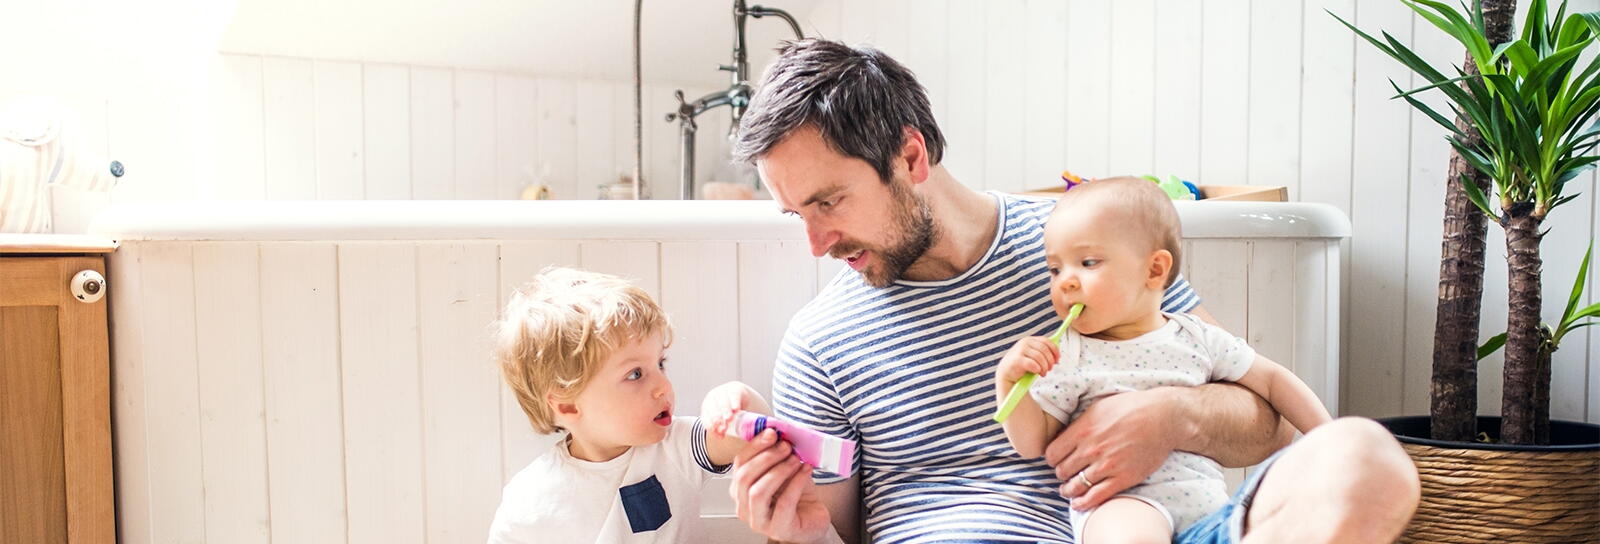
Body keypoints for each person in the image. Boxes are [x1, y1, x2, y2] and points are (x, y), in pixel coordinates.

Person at [724, 39, 1419, 544]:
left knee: (1365, 458)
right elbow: (832, 532)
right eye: (797, 214)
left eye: (829, 202)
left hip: (1166, 526)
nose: (816, 244)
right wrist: (794, 530)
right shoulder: (819, 343)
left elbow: (1267, 421)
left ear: (911, 156)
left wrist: (1173, 416)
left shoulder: (1085, 251)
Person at [996, 177, 1334, 542]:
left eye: (1088, 262)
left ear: (1155, 270)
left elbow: (1273, 381)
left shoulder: (1197, 336)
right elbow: (1032, 443)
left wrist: (1329, 441)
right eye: (1055, 269)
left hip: (1209, 510)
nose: (1065, 282)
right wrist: (1010, 384)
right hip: (1121, 505)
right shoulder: (1069, 353)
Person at [486, 267, 771, 543]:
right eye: (635, 374)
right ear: (568, 407)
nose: (664, 387)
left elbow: (749, 436)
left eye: (661, 363)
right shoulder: (531, 498)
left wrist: (736, 399)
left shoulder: (675, 446)